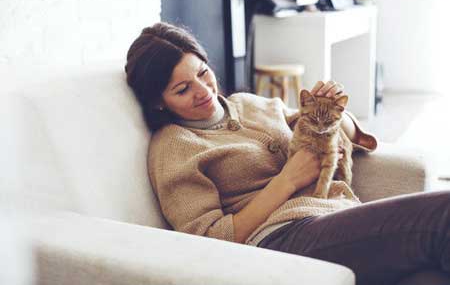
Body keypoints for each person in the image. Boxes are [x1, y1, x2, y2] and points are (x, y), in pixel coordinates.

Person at [125, 22, 450, 285]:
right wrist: (288, 180)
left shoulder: (248, 104)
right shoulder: (173, 147)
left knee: (428, 276)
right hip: (277, 241)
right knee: (442, 213)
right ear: (158, 102)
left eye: (202, 72)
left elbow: (315, 126)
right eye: (182, 89)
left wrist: (335, 110)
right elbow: (208, 239)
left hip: (331, 213)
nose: (203, 90)